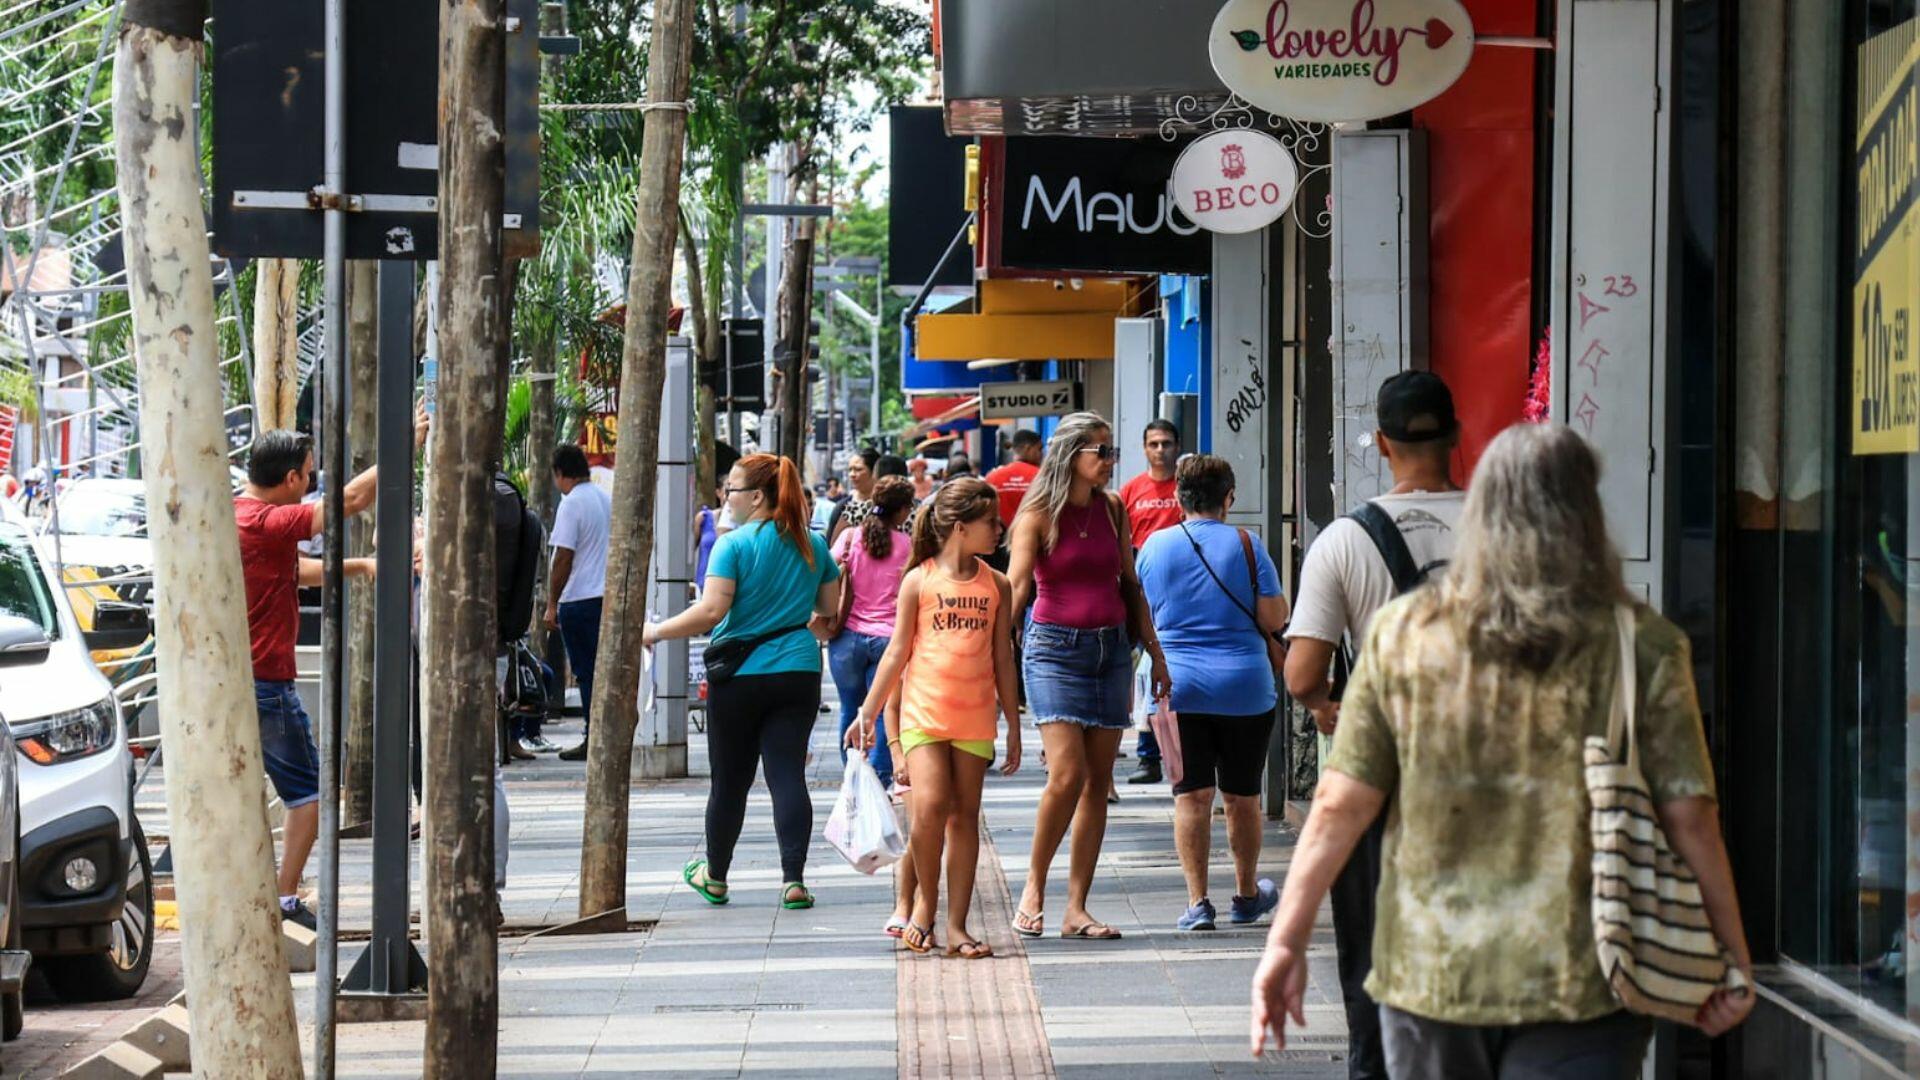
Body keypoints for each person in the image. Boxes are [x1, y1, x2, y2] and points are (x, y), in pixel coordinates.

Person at [1252, 422, 1754, 1070]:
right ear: (1587, 513)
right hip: (1583, 984)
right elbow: (1692, 820)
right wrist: (1732, 955)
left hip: (1431, 978)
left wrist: (1285, 943)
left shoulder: (1404, 634)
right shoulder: (1643, 644)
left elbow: (1339, 804)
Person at [1281, 370, 1465, 1077]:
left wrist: (1329, 707)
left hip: (1378, 782)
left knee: (1371, 952)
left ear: (1382, 443)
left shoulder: (1345, 541)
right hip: (1495, 777)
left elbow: (1302, 676)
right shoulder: (1508, 529)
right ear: (1455, 434)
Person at [643, 454, 841, 910]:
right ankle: (794, 880)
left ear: (756, 497)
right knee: (787, 774)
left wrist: (654, 631)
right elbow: (827, 609)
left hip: (739, 678)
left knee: (730, 781)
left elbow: (711, 612)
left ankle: (715, 876)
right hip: (798, 671)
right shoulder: (812, 544)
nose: (724, 498)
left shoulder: (732, 546)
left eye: (731, 489)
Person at [1007, 412, 1170, 942]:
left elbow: (1129, 582)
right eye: (1100, 451)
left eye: (1109, 451)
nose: (1109, 460)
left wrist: (1155, 651)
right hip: (1053, 651)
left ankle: (1076, 907)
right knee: (1067, 774)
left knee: (1099, 783)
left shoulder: (1115, 507)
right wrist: (988, 655)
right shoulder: (1037, 513)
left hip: (1110, 651)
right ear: (1071, 455)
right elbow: (1016, 591)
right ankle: (1033, 887)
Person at [847, 477, 1022, 957]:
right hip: (924, 714)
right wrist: (868, 713)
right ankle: (924, 903)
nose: (999, 529)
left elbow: (1004, 657)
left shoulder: (998, 584)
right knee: (927, 810)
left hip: (974, 719)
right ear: (961, 528)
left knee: (964, 818)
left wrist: (1013, 725)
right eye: (991, 522)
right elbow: (896, 652)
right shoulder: (918, 581)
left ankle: (958, 926)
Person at [236, 429, 380, 930]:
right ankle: (285, 899)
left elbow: (292, 571)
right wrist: (406, 443)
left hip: (244, 682)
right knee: (308, 799)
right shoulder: (269, 519)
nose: (311, 483)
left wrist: (362, 566)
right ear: (291, 477)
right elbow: (354, 499)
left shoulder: (241, 517)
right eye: (309, 474)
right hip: (268, 684)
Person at [1136, 455, 1288, 931]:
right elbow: (1275, 618)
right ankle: (1246, 894)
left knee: (1191, 797)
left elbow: (1142, 616)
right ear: (1229, 497)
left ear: (1180, 498)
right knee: (1242, 797)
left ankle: (1198, 903)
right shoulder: (1247, 543)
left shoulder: (1154, 547)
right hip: (1246, 688)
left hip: (1176, 690)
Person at [823, 476, 917, 783]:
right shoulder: (907, 546)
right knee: (881, 710)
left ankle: (852, 777)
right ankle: (877, 781)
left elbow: (824, 570)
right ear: (902, 511)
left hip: (846, 638)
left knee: (851, 708)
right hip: (889, 639)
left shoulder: (851, 537)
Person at [1118, 419, 1184, 785]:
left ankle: (1173, 750)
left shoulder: (1183, 489)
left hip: (1178, 590)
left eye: (1167, 443)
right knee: (1142, 672)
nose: (1160, 450)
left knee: (1165, 668)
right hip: (1140, 590)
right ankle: (1148, 756)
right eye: (1154, 444)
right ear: (1144, 448)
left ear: (1177, 446)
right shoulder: (1130, 491)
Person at [545, 443, 611, 763]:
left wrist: (551, 602)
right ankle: (601, 733)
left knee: (586, 673)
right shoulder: (604, 498)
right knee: (601, 672)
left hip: (579, 599)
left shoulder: (571, 503)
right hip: (603, 598)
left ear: (560, 474)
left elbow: (563, 557)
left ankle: (592, 736)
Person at [984, 429, 1043, 530]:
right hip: (1033, 535)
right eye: (1039, 449)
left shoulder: (992, 477)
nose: (1042, 454)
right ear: (1028, 448)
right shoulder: (1041, 476)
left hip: (999, 537)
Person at [827, 448, 879, 544]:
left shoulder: (886, 505)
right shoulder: (842, 507)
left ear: (874, 471)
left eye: (858, 469)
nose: (852, 474)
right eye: (850, 469)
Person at [692, 485, 732, 596]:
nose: (728, 497)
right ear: (718, 492)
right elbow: (691, 550)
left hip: (726, 582)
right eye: (726, 491)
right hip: (703, 583)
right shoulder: (703, 517)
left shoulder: (739, 520)